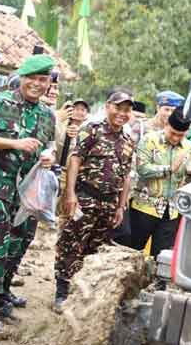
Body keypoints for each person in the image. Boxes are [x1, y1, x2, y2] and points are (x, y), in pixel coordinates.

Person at [0, 55, 57, 339]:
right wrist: (13, 143)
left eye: (44, 80)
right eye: (34, 79)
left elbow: (50, 145)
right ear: (23, 78)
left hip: (26, 193)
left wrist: (48, 156)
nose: (38, 85)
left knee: (17, 245)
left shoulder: (46, 114)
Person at [54, 91, 135, 311]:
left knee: (96, 248)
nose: (122, 113)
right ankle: (61, 293)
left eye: (127, 110)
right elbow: (75, 160)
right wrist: (70, 194)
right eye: (118, 108)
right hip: (85, 197)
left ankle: (82, 293)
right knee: (71, 243)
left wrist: (121, 206)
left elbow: (127, 175)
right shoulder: (92, 130)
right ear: (108, 106)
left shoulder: (128, 140)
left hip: (109, 204)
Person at [129, 108, 191, 258]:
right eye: (172, 133)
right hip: (144, 208)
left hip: (171, 211)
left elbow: (188, 179)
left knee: (161, 258)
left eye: (180, 135)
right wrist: (169, 169)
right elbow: (142, 169)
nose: (175, 138)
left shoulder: (189, 148)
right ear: (166, 125)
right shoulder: (149, 140)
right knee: (132, 254)